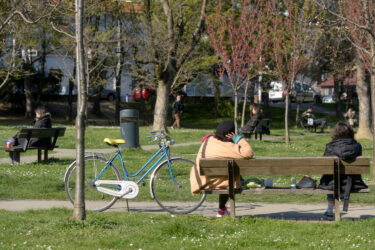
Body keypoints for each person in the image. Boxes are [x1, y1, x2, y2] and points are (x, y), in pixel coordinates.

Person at [190, 121, 254, 217]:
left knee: (227, 176)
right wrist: (238, 139)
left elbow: (208, 137)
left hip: (202, 180)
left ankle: (222, 210)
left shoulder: (208, 141)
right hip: (220, 182)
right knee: (230, 178)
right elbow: (249, 153)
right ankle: (221, 209)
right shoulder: (231, 148)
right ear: (231, 134)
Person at [318, 122, 368, 220]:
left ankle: (329, 210)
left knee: (331, 177)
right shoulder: (357, 146)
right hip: (352, 182)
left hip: (332, 183)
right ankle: (340, 196)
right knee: (336, 177)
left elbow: (325, 167)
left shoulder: (330, 146)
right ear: (350, 133)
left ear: (336, 133)